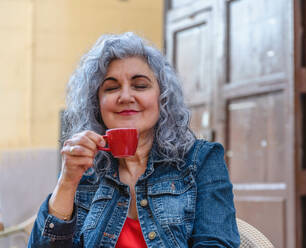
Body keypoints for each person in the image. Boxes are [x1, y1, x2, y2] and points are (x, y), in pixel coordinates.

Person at [28, 32, 240, 248]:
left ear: (163, 97)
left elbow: (216, 243)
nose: (126, 96)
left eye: (140, 85)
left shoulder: (201, 160)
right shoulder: (84, 169)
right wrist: (67, 180)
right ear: (97, 104)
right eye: (111, 88)